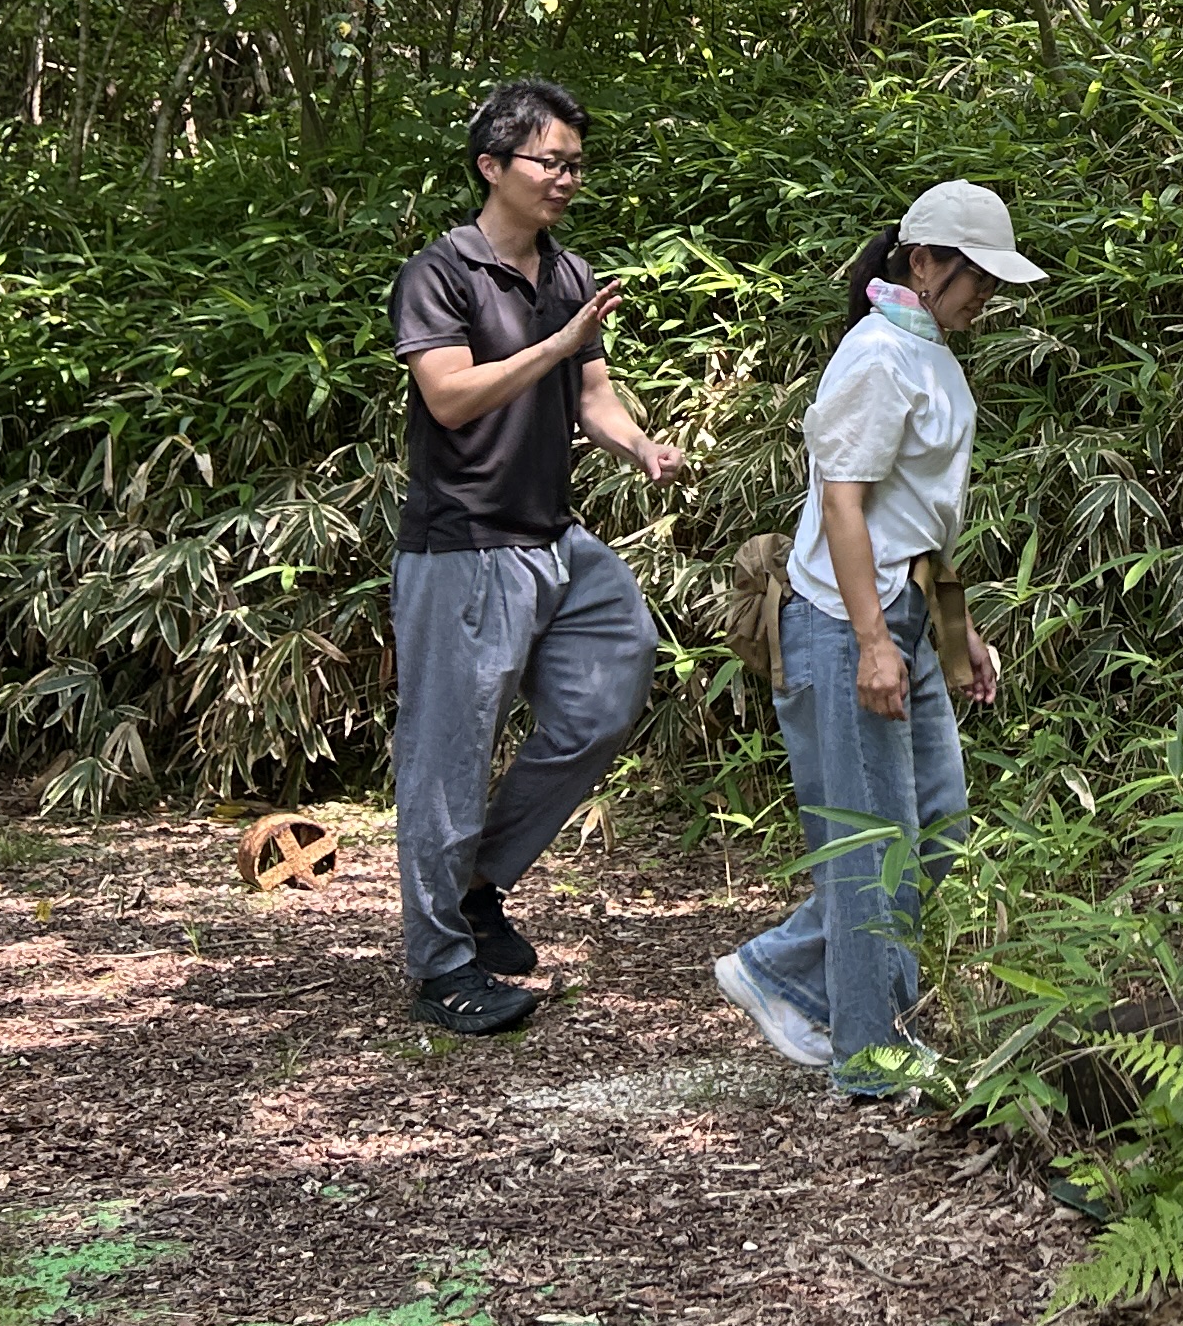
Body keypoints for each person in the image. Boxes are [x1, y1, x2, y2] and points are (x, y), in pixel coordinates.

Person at [715, 180, 1041, 1099]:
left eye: (994, 280)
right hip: (841, 620)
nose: (987, 296)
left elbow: (917, 523)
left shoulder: (928, 352)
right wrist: (870, 644)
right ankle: (871, 1052)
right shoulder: (876, 355)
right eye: (977, 276)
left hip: (903, 614)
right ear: (924, 263)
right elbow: (844, 508)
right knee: (872, 849)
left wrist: (958, 634)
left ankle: (782, 973)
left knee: (935, 829)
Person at [389, 76, 685, 1037]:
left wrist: (639, 445)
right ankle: (441, 968)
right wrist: (556, 345)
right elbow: (450, 398)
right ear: (492, 166)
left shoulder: (567, 269)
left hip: (555, 540)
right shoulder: (440, 273)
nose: (565, 178)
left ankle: (478, 884)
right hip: (464, 547)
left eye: (575, 165)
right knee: (447, 761)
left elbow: (592, 394)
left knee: (608, 691)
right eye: (549, 162)